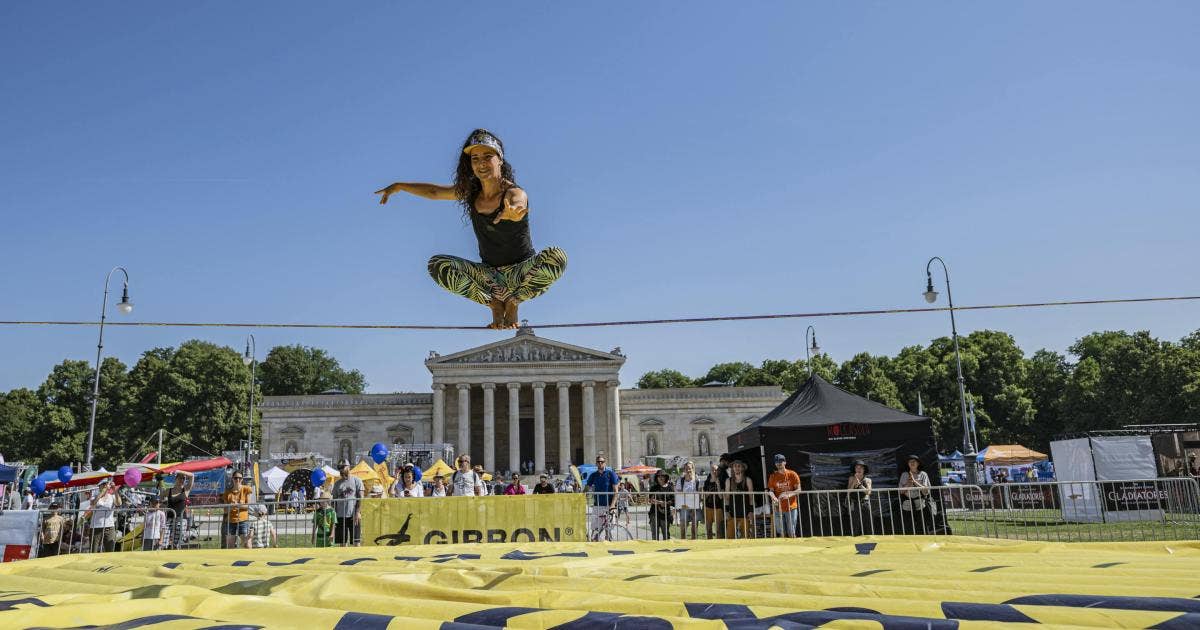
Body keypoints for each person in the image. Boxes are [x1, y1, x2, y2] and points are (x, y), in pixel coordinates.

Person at [375, 128, 568, 329]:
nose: (481, 163)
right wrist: (399, 186)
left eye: (487, 156)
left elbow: (519, 202)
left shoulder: (513, 192)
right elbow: (434, 192)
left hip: (521, 273)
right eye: (475, 159)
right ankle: (493, 303)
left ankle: (513, 301)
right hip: (489, 276)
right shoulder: (471, 194)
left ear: (500, 159)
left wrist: (514, 212)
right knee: (437, 264)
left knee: (557, 256)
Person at [331, 460, 365, 547]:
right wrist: (334, 516)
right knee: (342, 543)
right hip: (340, 516)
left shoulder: (357, 480)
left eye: (343, 467)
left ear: (349, 467)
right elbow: (333, 501)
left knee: (356, 542)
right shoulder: (337, 484)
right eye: (339, 468)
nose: (341, 470)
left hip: (353, 515)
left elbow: (360, 498)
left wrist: (357, 512)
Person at [767, 454, 802, 538]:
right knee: (781, 532)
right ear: (775, 464)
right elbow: (771, 491)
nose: (779, 463)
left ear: (785, 462)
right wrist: (773, 497)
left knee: (791, 532)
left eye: (780, 461)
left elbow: (799, 490)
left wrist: (789, 495)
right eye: (777, 462)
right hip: (778, 508)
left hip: (791, 507)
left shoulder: (792, 474)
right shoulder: (773, 476)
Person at [899, 454, 934, 535]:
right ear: (908, 464)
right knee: (909, 528)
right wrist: (909, 483)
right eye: (910, 462)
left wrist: (915, 482)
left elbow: (926, 491)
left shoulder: (923, 474)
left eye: (914, 461)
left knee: (923, 527)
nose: (912, 463)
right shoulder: (904, 475)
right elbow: (900, 491)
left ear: (918, 463)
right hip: (907, 505)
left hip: (921, 505)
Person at [160, 470, 194, 549]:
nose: (182, 480)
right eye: (180, 478)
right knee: (164, 541)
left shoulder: (186, 490)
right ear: (176, 479)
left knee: (176, 543)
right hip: (169, 519)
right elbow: (161, 497)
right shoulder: (169, 490)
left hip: (181, 519)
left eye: (184, 479)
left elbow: (192, 475)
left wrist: (179, 471)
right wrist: (160, 481)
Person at [221, 471, 255, 549]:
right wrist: (232, 507)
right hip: (230, 521)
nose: (238, 480)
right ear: (232, 479)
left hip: (243, 520)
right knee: (230, 546)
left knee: (247, 544)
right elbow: (225, 511)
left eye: (240, 478)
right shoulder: (227, 493)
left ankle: (250, 559)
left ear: (242, 479)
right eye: (236, 478)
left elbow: (248, 506)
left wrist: (238, 505)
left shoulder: (246, 489)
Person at [87, 479, 121, 553]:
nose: (106, 486)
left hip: (109, 527)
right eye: (104, 484)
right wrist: (103, 491)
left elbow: (119, 503)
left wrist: (115, 490)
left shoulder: (112, 497)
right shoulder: (95, 496)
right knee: (93, 551)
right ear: (99, 486)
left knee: (110, 551)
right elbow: (93, 503)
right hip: (96, 527)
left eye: (106, 484)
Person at [724, 459, 756, 539]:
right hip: (732, 513)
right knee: (730, 537)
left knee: (745, 537)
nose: (737, 468)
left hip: (745, 513)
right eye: (735, 466)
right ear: (732, 468)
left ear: (742, 468)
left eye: (739, 466)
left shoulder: (748, 480)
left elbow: (751, 497)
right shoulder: (728, 481)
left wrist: (751, 511)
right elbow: (727, 497)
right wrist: (726, 511)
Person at [674, 461, 701, 540]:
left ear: (693, 469)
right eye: (686, 469)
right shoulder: (680, 481)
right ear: (684, 470)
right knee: (683, 530)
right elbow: (678, 494)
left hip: (695, 507)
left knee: (694, 530)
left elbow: (699, 495)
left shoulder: (697, 480)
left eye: (689, 468)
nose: (688, 470)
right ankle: (683, 545)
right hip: (684, 507)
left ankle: (693, 546)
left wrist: (694, 508)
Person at [846, 460, 873, 536]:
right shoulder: (851, 478)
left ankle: (869, 538)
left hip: (865, 502)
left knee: (868, 521)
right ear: (854, 470)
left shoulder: (868, 480)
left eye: (861, 468)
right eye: (857, 468)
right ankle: (855, 537)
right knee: (855, 522)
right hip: (854, 503)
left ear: (864, 470)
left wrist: (860, 485)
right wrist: (854, 482)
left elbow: (868, 492)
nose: (859, 469)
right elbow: (848, 491)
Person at [648, 471, 675, 540]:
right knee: (654, 534)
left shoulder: (670, 488)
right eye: (659, 476)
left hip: (665, 514)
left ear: (666, 477)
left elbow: (674, 500)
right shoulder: (653, 488)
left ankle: (666, 549)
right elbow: (650, 499)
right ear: (656, 478)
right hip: (654, 513)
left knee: (666, 534)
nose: (660, 478)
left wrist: (665, 503)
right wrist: (658, 502)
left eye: (662, 476)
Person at [703, 463, 725, 539]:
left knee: (719, 529)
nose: (714, 471)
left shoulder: (721, 481)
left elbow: (721, 496)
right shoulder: (706, 482)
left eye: (716, 470)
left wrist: (718, 485)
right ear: (710, 471)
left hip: (718, 507)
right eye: (713, 470)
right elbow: (704, 496)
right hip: (708, 507)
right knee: (708, 529)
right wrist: (708, 493)